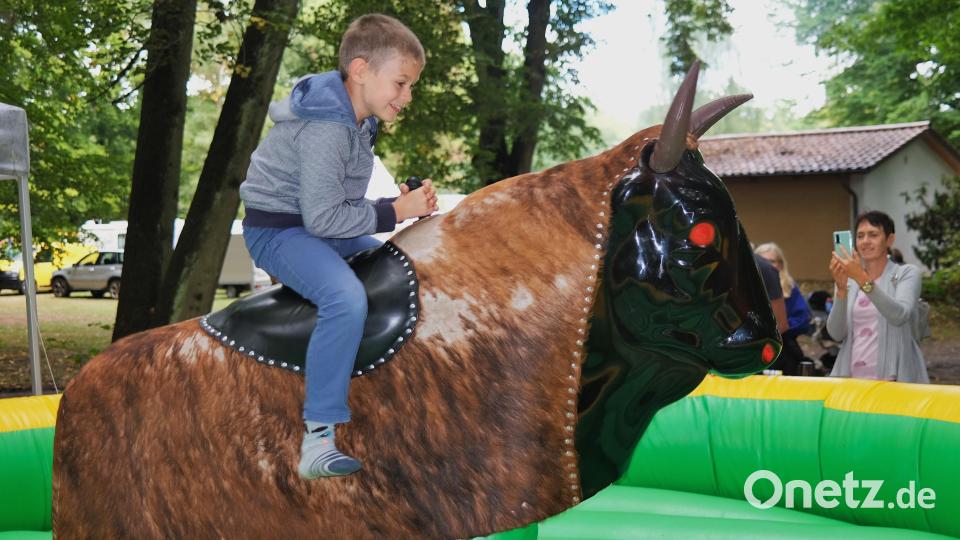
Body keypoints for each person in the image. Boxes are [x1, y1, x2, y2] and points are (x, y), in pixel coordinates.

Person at [238, 14, 438, 478]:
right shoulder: (328, 125)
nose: (407, 98)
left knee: (402, 266)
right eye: (402, 84)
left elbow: (337, 205)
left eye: (411, 87)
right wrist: (395, 212)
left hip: (317, 225)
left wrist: (398, 204)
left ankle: (381, 388)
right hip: (279, 232)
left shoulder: (357, 122)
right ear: (362, 69)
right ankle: (318, 438)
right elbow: (323, 216)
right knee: (344, 297)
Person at [827, 211, 929, 383]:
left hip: (894, 380)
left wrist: (861, 278)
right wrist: (842, 290)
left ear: (889, 240)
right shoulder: (850, 281)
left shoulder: (906, 274)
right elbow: (836, 333)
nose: (865, 241)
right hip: (850, 381)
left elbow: (900, 315)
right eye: (860, 236)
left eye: (873, 235)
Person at [755, 243, 812, 375]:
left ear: (780, 265)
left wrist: (775, 329)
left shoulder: (790, 289)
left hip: (783, 350)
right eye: (762, 261)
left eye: (771, 261)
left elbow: (802, 319)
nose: (766, 266)